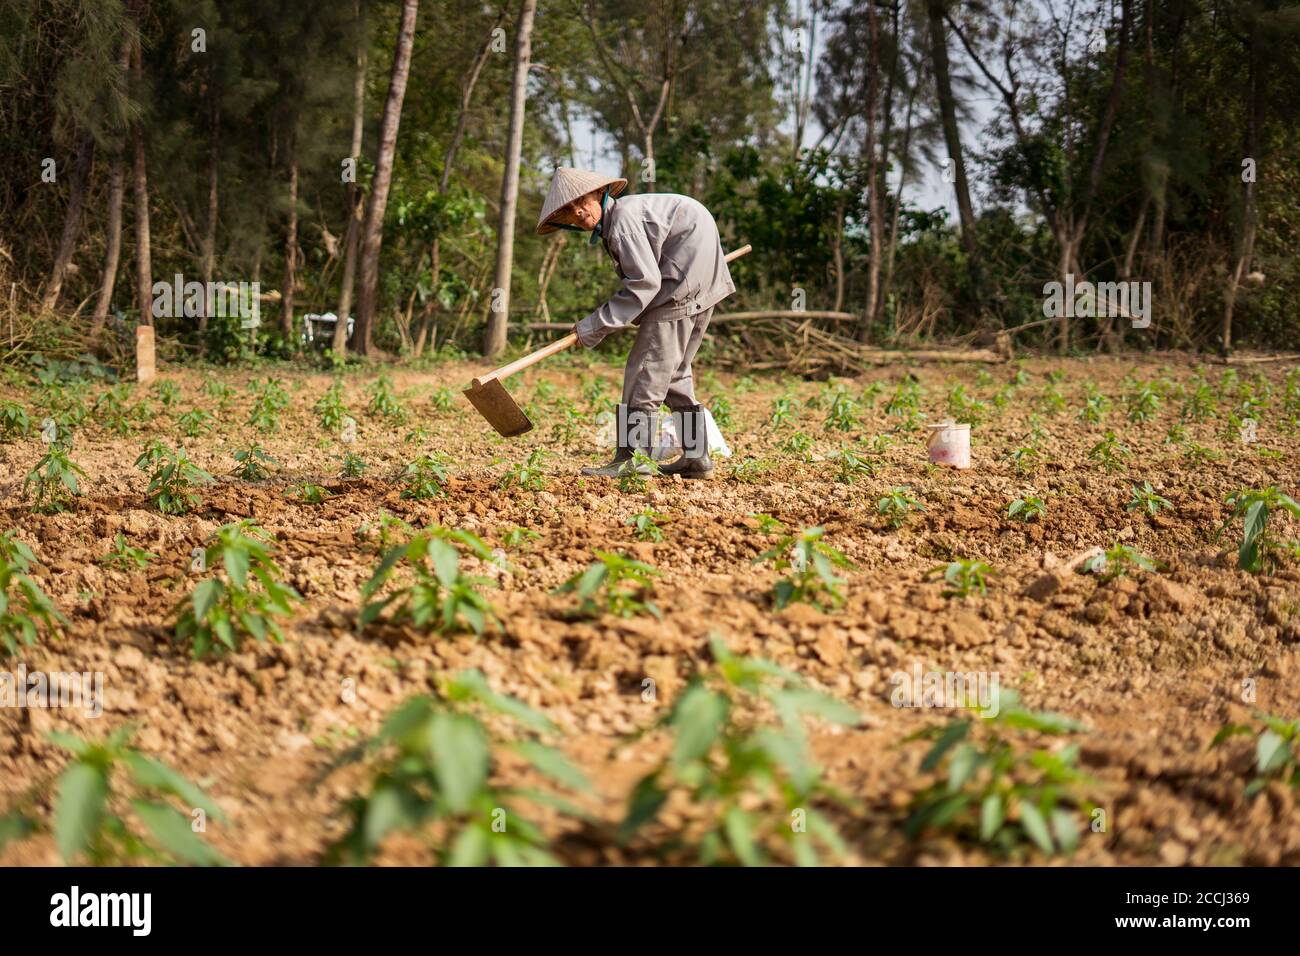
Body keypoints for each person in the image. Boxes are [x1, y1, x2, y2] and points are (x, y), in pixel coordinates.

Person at [536, 167, 735, 480]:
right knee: (674, 373)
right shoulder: (624, 218)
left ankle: (633, 460)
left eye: (581, 203)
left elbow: (644, 283)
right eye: (568, 211)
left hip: (682, 289)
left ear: (598, 195)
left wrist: (591, 327)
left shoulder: (623, 223)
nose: (578, 212)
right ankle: (697, 458)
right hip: (700, 285)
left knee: (644, 371)